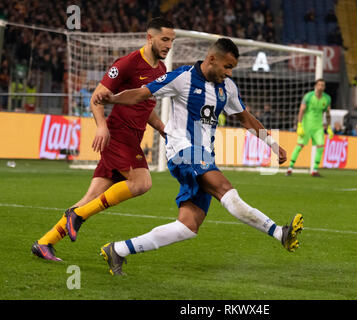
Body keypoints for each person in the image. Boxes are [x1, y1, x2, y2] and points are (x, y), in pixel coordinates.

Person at [93, 38, 304, 275]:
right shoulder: (182, 78)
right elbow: (142, 94)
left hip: (204, 155)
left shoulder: (228, 88)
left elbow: (246, 119)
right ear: (211, 59)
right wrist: (112, 98)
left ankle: (118, 250)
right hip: (183, 151)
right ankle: (279, 232)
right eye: (227, 66)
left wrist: (272, 144)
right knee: (224, 188)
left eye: (231, 68)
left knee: (188, 226)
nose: (229, 72)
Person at [31, 18, 176, 261]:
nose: (169, 45)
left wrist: (161, 127)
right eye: (164, 39)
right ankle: (76, 216)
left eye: (172, 40)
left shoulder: (160, 70)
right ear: (149, 38)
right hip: (118, 136)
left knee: (90, 199)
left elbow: (145, 103)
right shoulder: (128, 63)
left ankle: (45, 242)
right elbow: (97, 97)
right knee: (142, 183)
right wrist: (101, 127)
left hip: (132, 138)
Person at [285, 79, 332, 177]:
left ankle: (314, 170)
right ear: (315, 86)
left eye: (323, 85)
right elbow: (301, 110)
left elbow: (327, 114)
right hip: (306, 126)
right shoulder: (308, 96)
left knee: (320, 146)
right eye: (319, 85)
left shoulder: (327, 98)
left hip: (318, 127)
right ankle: (290, 168)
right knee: (299, 146)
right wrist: (299, 125)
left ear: (324, 87)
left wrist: (329, 127)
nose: (321, 87)